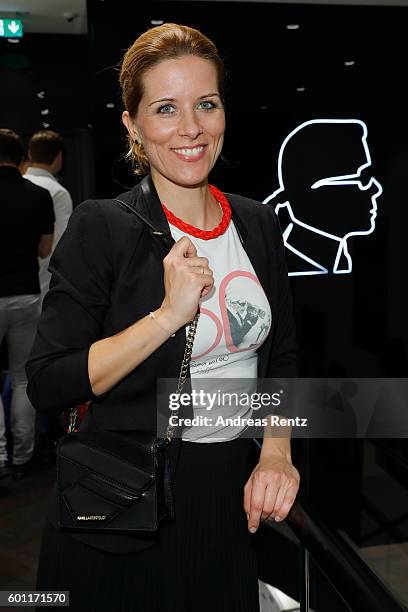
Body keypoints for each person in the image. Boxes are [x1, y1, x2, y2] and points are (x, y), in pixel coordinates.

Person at [26, 23, 300, 612]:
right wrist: (166, 316)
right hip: (125, 506)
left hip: (230, 498)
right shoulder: (104, 227)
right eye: (166, 109)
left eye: (206, 104)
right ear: (132, 124)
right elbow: (50, 382)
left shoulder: (256, 223)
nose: (190, 129)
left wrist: (277, 451)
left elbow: (283, 356)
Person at [0, 129, 54, 486]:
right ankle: (23, 456)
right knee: (22, 378)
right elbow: (45, 250)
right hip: (25, 293)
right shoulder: (39, 195)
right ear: (22, 160)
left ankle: (0, 458)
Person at [24, 130, 73, 307]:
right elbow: (59, 244)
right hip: (41, 284)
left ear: (30, 154)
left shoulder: (18, 185)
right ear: (59, 156)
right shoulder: (57, 192)